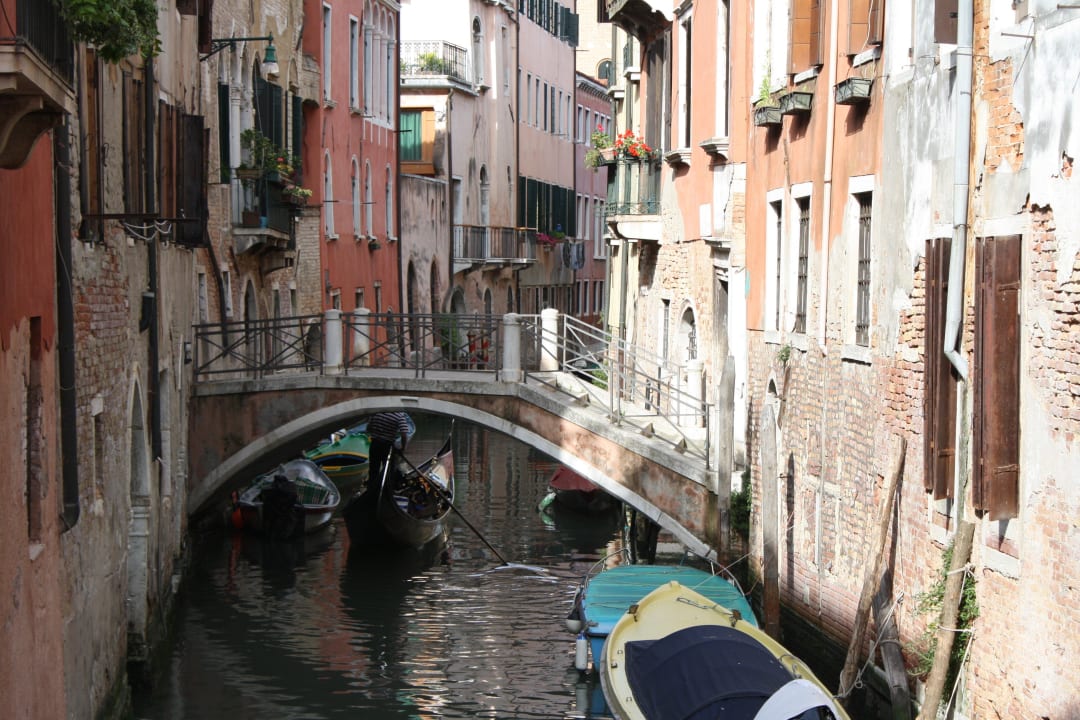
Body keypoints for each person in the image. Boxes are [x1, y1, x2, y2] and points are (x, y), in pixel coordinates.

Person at [366, 411, 411, 492]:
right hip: (387, 446)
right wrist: (403, 448)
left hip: (375, 444)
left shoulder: (376, 412)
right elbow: (404, 434)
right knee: (389, 471)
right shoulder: (399, 416)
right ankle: (388, 490)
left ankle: (371, 490)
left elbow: (368, 428)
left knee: (373, 470)